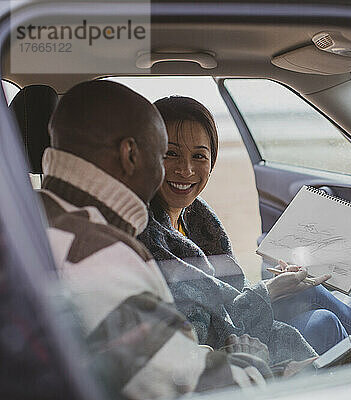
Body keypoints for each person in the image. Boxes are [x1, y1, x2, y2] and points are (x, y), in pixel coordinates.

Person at [38, 81, 276, 399]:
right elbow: (188, 384)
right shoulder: (97, 253)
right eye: (163, 153)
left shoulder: (31, 215)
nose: (175, 170)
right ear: (131, 154)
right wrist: (254, 364)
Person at [137, 96, 351, 355]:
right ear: (148, 155)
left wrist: (278, 286)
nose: (186, 169)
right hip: (227, 350)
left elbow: (225, 294)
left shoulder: (195, 217)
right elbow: (201, 333)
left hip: (235, 326)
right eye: (171, 154)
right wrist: (269, 290)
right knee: (322, 323)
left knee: (306, 290)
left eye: (198, 156)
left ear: (212, 161)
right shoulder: (147, 234)